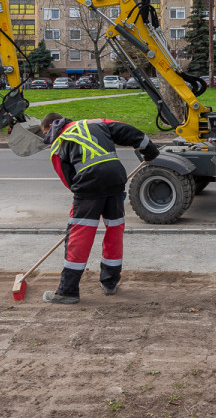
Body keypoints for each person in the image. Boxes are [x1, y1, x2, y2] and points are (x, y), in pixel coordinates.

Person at [39, 110, 159, 304]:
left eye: (46, 134)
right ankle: (110, 283)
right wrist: (150, 151)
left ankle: (67, 291)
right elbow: (129, 131)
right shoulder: (95, 123)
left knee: (80, 234)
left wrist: (84, 195)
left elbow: (68, 180)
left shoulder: (57, 144)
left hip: (88, 186)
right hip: (115, 180)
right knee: (115, 229)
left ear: (50, 129)